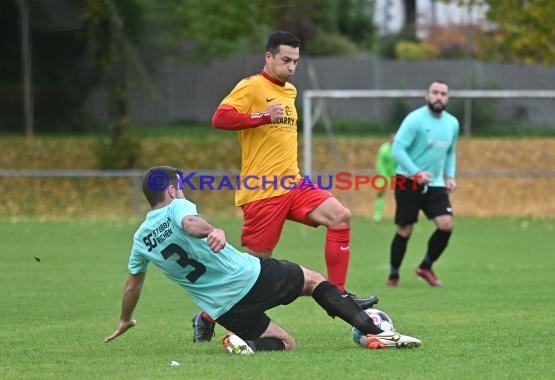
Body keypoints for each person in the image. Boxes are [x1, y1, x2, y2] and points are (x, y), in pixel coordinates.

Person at [104, 166, 421, 353]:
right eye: (182, 188)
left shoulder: (141, 238)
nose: (184, 192)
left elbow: (133, 284)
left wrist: (124, 319)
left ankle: (244, 346)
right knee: (313, 280)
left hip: (223, 309)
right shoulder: (178, 208)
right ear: (171, 191)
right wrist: (212, 229)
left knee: (285, 343)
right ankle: (378, 333)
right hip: (249, 277)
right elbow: (189, 224)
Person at [193, 30, 378, 342]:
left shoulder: (290, 91)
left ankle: (340, 294)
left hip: (293, 183)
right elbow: (219, 118)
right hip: (263, 190)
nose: (292, 66)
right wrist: (262, 115)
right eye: (285, 60)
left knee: (340, 216)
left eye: (295, 61)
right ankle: (208, 314)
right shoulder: (251, 86)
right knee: (254, 268)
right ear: (269, 57)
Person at [386, 80, 459, 288]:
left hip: (435, 183)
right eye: (435, 92)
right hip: (408, 180)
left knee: (446, 225)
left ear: (447, 98)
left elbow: (450, 152)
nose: (439, 97)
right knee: (405, 229)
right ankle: (394, 275)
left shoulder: (452, 123)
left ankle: (426, 266)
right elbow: (397, 150)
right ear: (427, 96)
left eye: (443, 94)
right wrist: (416, 173)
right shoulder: (415, 120)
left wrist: (450, 176)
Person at [373, 133, 397, 223]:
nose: (394, 141)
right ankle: (377, 215)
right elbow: (380, 163)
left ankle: (399, 215)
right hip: (385, 175)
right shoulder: (384, 149)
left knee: (402, 195)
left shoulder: (399, 149)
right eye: (392, 139)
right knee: (380, 193)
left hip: (397, 174)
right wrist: (383, 175)